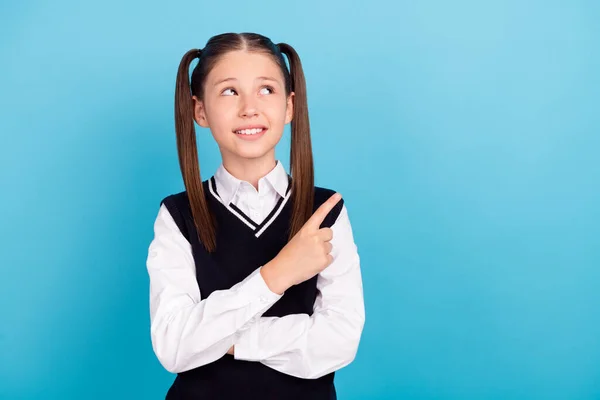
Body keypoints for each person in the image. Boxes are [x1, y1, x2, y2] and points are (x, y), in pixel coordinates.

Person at [145, 32, 365, 400]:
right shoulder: (177, 215)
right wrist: (277, 275)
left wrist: (223, 337)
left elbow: (339, 342)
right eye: (229, 91)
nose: (250, 107)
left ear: (290, 106)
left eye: (266, 90)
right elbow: (173, 346)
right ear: (200, 110)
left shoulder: (326, 211)